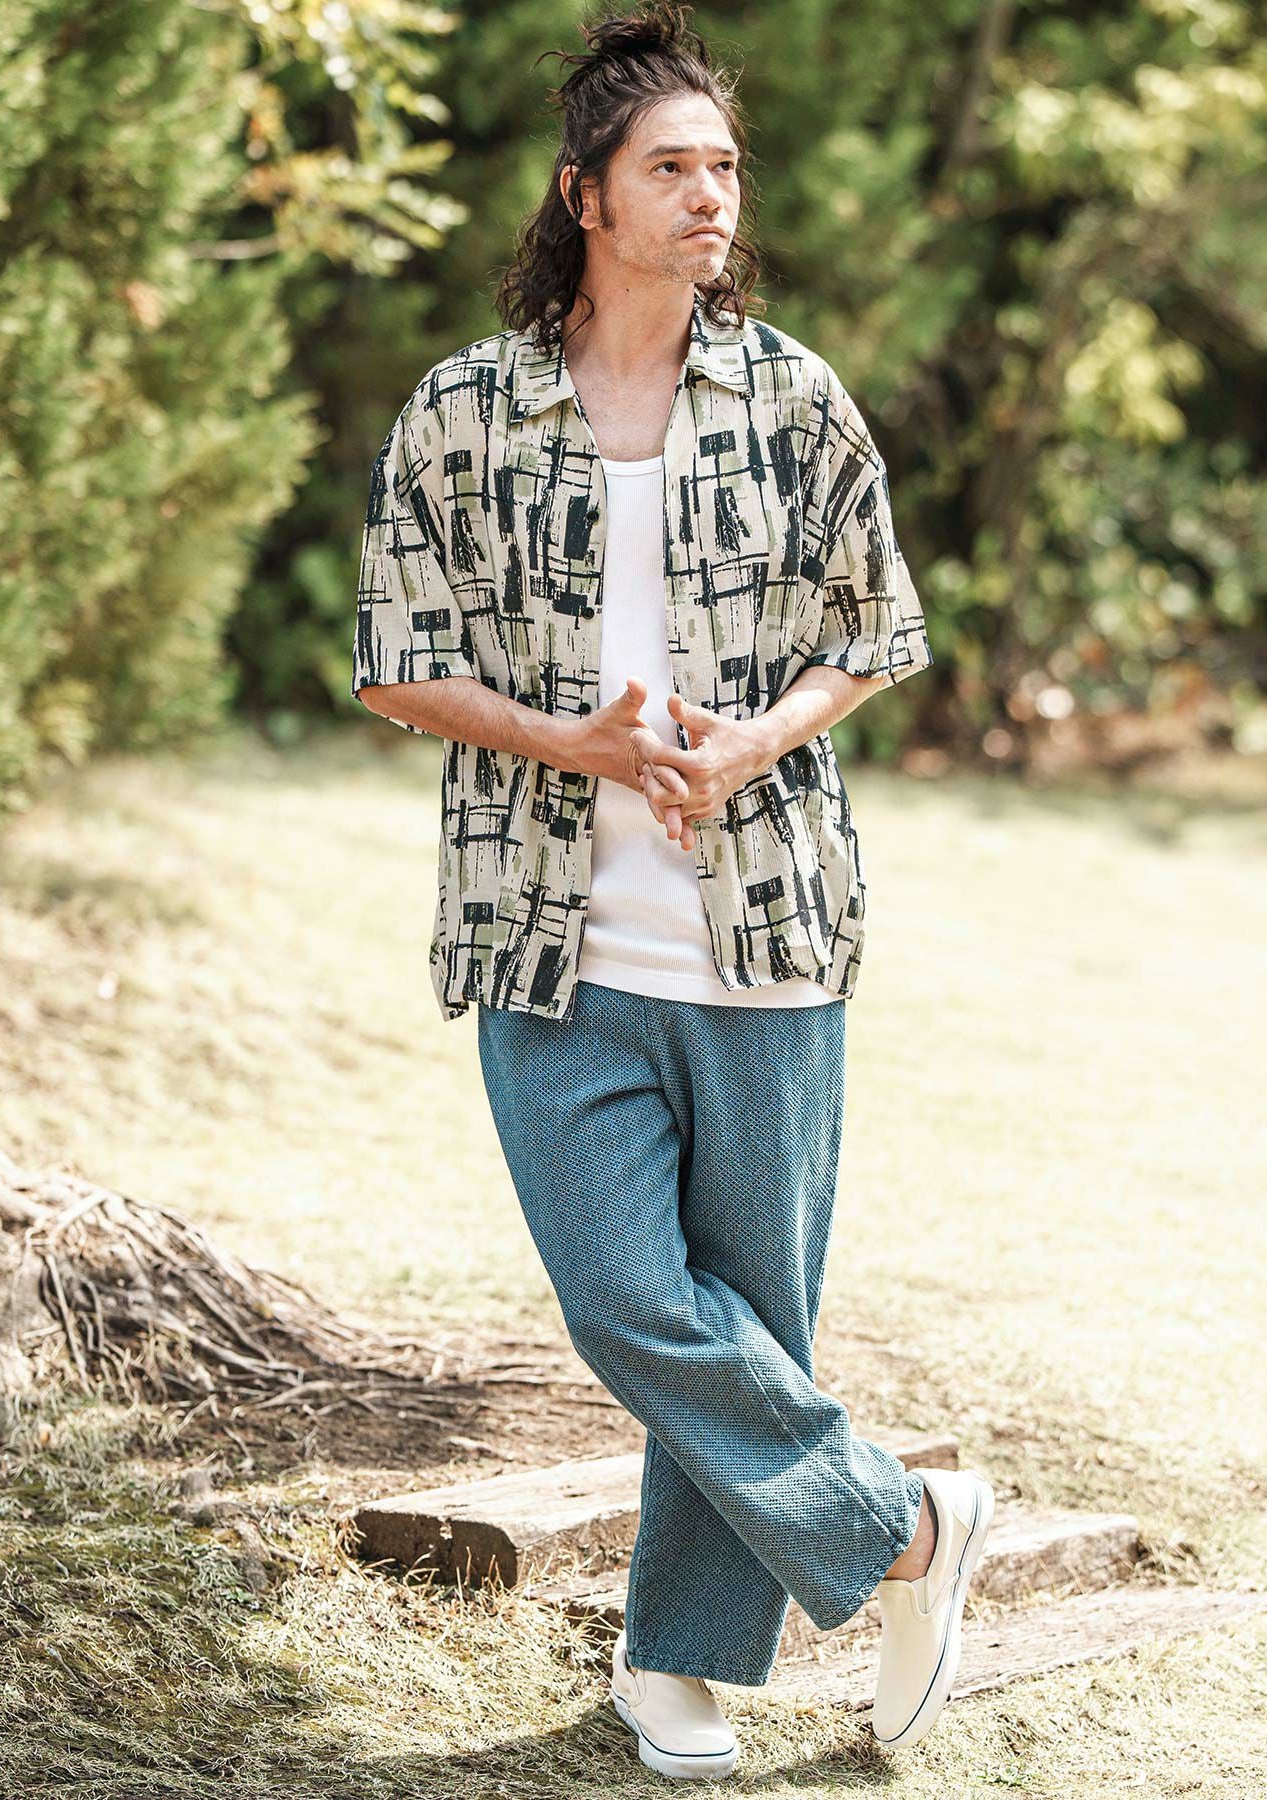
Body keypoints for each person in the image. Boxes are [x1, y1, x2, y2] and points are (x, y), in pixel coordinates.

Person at [351, 3, 994, 1778]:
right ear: (587, 195)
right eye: (671, 168)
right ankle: (911, 1528)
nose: (712, 195)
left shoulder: (790, 395)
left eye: (725, 167)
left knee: (751, 1318)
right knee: (630, 1301)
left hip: (767, 928)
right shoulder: (466, 409)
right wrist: (573, 741)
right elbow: (396, 659)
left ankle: (672, 1667)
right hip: (548, 935)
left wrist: (746, 747)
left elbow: (879, 631)